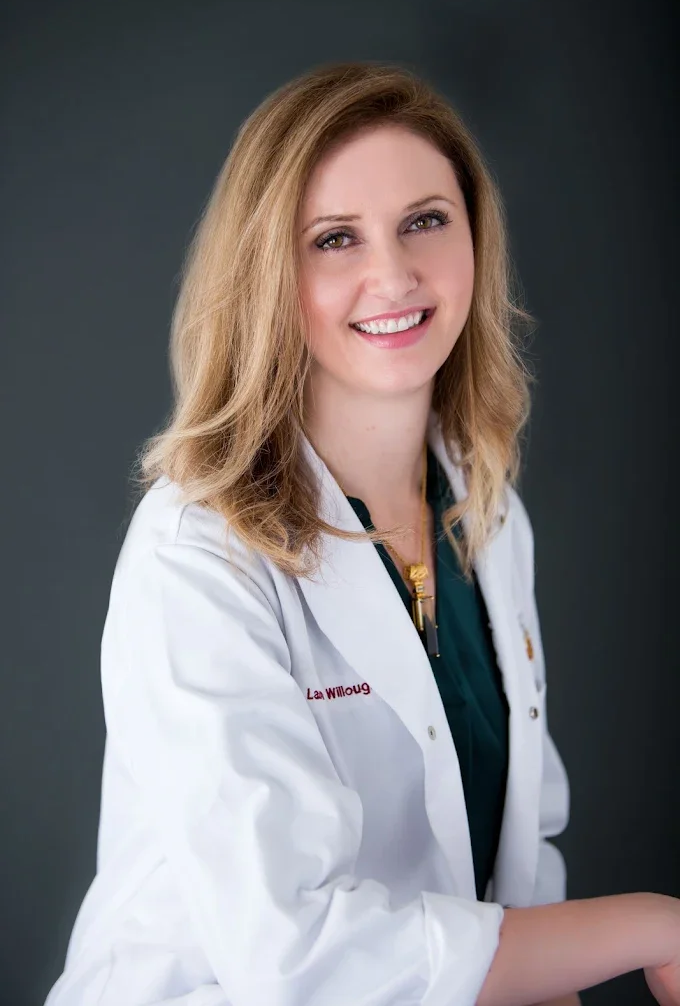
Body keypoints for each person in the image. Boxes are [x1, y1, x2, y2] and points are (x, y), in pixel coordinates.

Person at [45, 61, 679, 1006]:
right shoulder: (198, 550)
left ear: (474, 240)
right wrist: (654, 925)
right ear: (270, 274)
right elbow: (299, 957)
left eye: (426, 220)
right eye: (334, 239)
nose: (394, 274)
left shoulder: (485, 510)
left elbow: (512, 870)